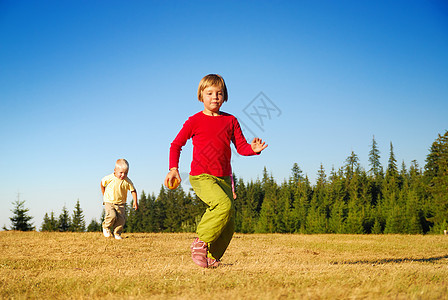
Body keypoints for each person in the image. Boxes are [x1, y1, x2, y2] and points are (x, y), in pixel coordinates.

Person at [164, 74, 268, 268]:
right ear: (201, 96)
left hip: (223, 178)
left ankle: (211, 257)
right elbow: (176, 145)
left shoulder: (231, 121)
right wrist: (173, 168)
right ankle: (200, 242)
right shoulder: (194, 121)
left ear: (225, 96)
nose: (215, 97)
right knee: (223, 206)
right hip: (201, 176)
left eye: (219, 93)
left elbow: (241, 147)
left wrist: (252, 150)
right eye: (209, 93)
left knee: (229, 223)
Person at [101, 159, 138, 240]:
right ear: (115, 170)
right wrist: (104, 195)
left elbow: (133, 190)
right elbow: (102, 183)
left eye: (126, 173)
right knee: (112, 216)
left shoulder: (127, 181)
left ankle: (117, 233)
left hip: (121, 203)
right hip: (109, 201)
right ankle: (106, 227)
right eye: (121, 173)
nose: (123, 175)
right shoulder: (109, 178)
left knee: (121, 220)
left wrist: (135, 201)